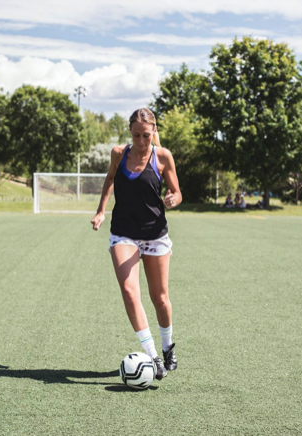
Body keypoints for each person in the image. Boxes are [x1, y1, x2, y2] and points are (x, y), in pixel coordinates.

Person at [90, 108, 181, 381]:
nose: (142, 141)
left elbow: (177, 192)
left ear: (154, 132)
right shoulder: (119, 153)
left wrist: (173, 199)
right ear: (130, 132)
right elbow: (109, 180)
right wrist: (101, 210)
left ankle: (167, 346)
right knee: (130, 291)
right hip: (123, 232)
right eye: (136, 135)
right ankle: (153, 356)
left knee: (160, 298)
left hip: (155, 234)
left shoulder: (163, 157)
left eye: (146, 135)